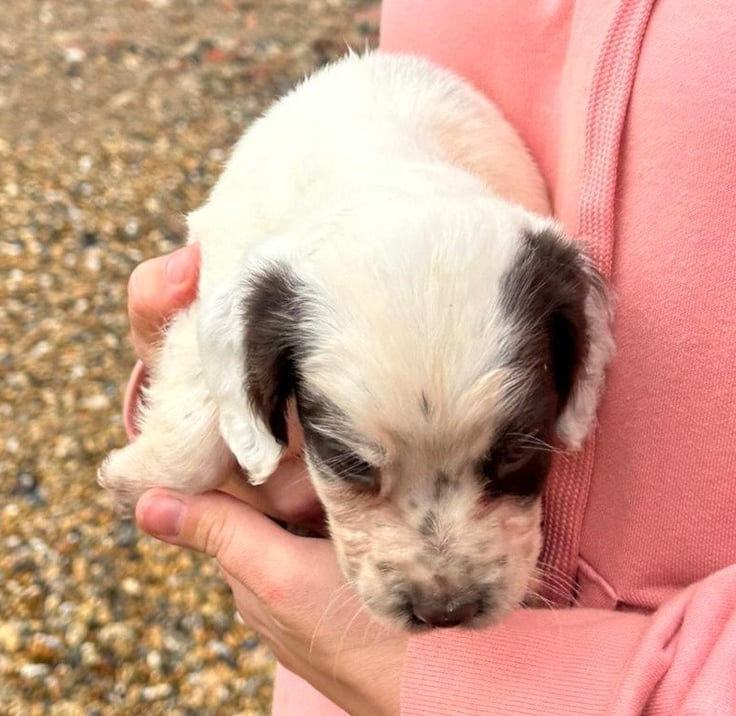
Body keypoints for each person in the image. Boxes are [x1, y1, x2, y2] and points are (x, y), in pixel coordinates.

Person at [124, 1, 736, 713]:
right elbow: (246, 298)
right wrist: (213, 417)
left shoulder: (555, 287)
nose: (443, 587)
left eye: (510, 459)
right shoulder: (323, 174)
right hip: (342, 662)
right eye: (359, 468)